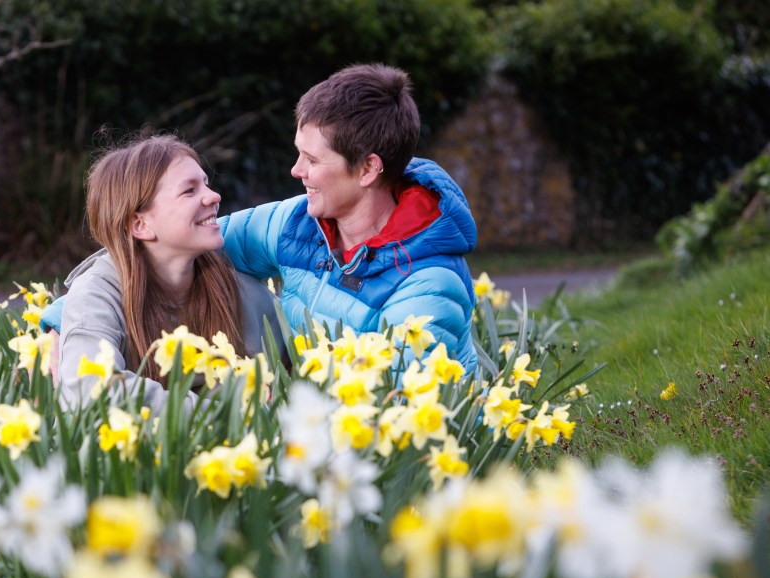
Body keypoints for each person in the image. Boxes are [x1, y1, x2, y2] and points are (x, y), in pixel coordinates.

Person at [45, 63, 478, 373]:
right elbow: (158, 248)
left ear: (367, 169)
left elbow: (396, 404)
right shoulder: (297, 224)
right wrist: (63, 321)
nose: (296, 171)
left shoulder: (430, 283)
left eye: (311, 159)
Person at [56, 134, 282, 408]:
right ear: (140, 225)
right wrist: (224, 417)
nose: (214, 196)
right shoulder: (97, 294)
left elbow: (304, 371)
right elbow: (92, 393)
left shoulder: (241, 292)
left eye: (206, 185)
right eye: (190, 190)